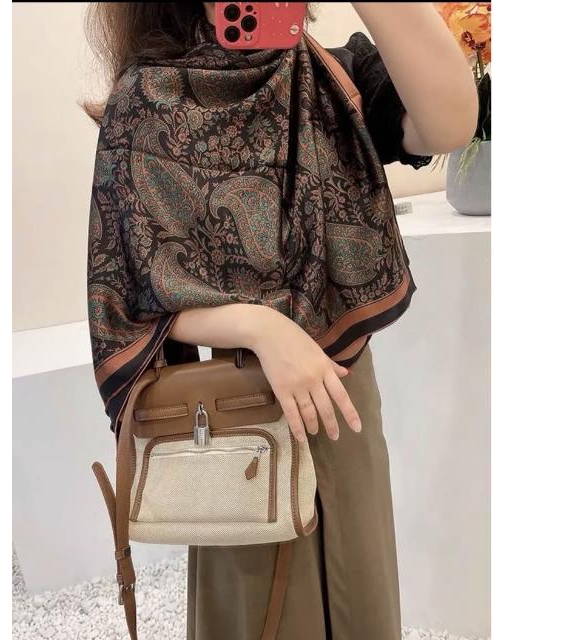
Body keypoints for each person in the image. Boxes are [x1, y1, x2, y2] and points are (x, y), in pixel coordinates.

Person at [85, 3, 478, 638]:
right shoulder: (148, 99)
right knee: (257, 606)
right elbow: (132, 286)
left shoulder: (326, 84)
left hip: (339, 393)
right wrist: (260, 328)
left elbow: (450, 122)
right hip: (230, 406)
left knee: (362, 590)